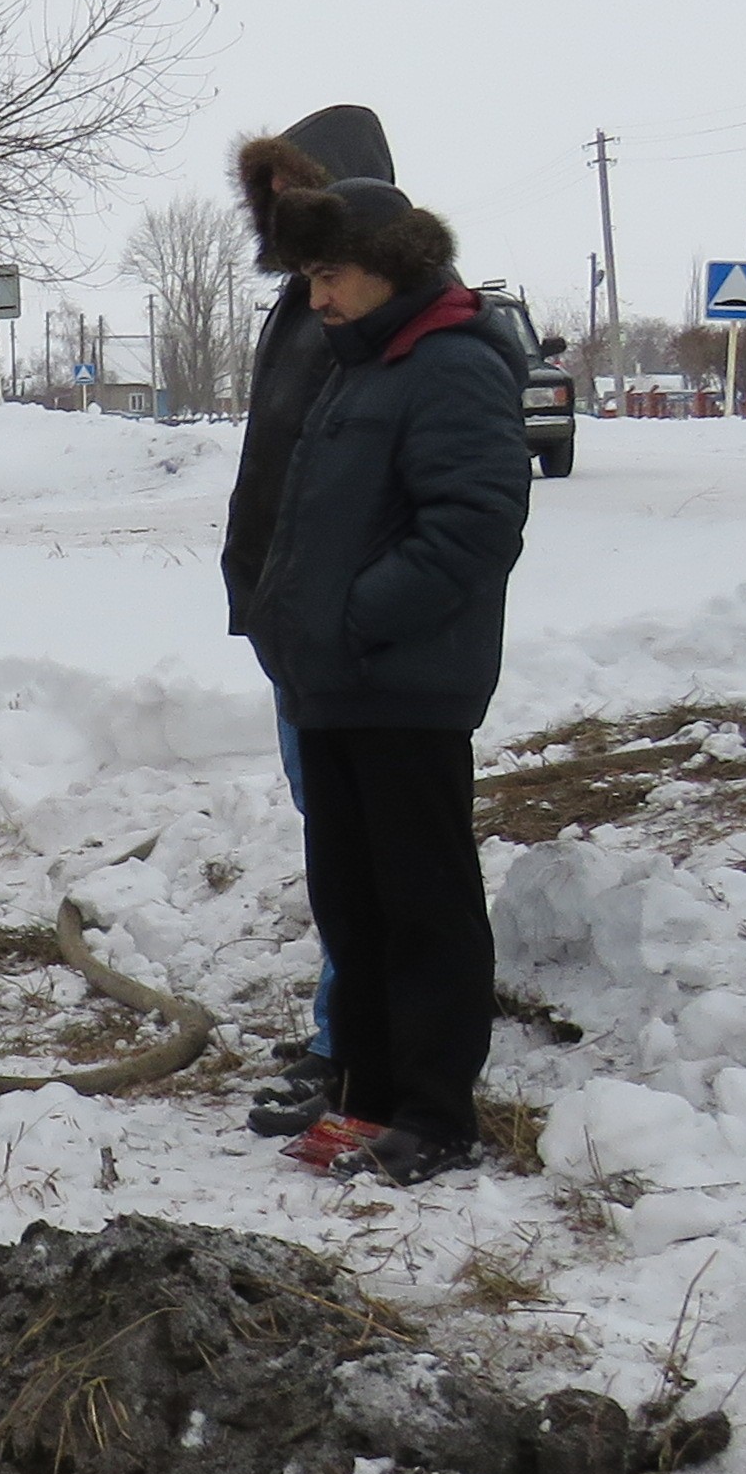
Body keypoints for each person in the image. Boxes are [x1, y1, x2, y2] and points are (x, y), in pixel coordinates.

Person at [249, 163, 531, 1186]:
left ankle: (436, 1113)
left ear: (385, 266)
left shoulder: (450, 363)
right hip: (338, 685)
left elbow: (474, 525)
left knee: (423, 904)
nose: (316, 297)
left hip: (407, 687)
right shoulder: (364, 361)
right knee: (353, 903)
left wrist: (354, 619)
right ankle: (367, 1096)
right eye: (308, 277)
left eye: (329, 275)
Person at [222, 108, 397, 1138]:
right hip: (292, 612)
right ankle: (350, 1030)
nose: (282, 215)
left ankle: (353, 1047)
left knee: (359, 841)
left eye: (300, 194)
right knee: (331, 835)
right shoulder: (302, 303)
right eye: (271, 200)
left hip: (343, 625)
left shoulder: (371, 309)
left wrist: (344, 605)